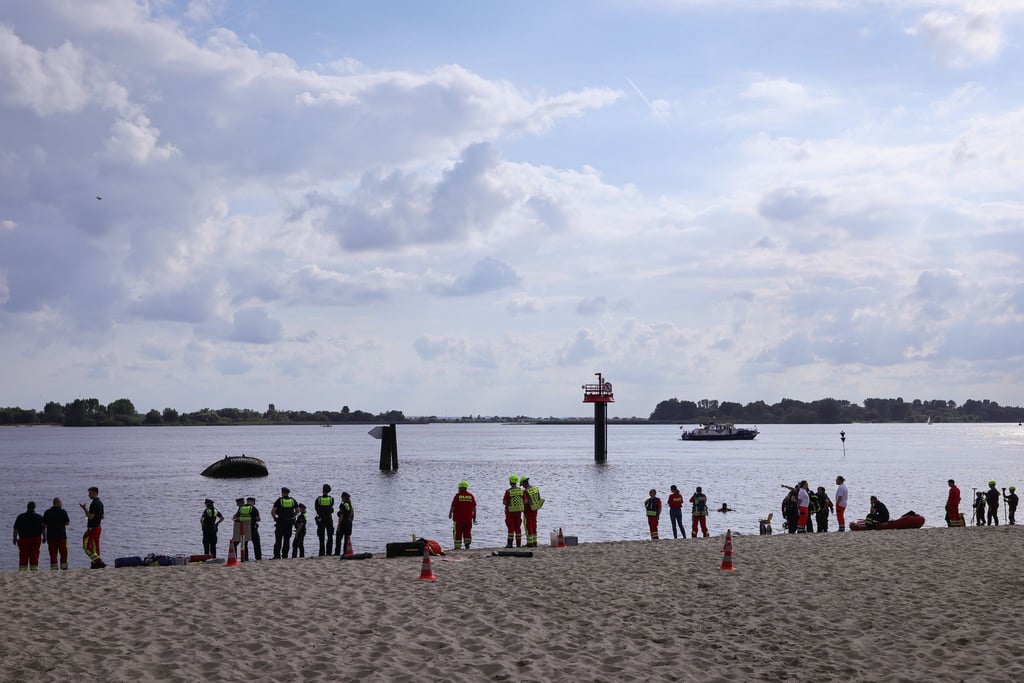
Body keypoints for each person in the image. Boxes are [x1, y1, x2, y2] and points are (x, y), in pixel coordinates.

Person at [13, 501, 44, 572]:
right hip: (35, 539)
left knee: (23, 555)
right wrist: (45, 537)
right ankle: (34, 570)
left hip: (23, 539)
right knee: (34, 555)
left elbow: (15, 528)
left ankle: (22, 570)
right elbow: (43, 528)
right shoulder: (39, 517)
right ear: (34, 507)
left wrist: (14, 537)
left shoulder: (20, 516)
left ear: (27, 507)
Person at [79, 486, 105, 569]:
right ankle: (95, 563)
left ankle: (98, 561)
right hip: (98, 527)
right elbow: (102, 517)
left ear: (95, 493)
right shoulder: (100, 503)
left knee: (86, 546)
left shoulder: (94, 503)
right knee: (95, 546)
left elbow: (90, 516)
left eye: (90, 493)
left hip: (92, 528)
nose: (88, 495)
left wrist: (84, 509)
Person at [41, 498, 70, 571]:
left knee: (53, 554)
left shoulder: (47, 512)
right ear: (57, 503)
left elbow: (43, 524)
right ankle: (64, 568)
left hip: (51, 537)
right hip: (62, 536)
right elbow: (67, 523)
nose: (61, 504)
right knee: (63, 553)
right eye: (60, 502)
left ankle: (54, 569)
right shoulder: (63, 512)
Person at [271, 487, 299, 559]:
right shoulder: (292, 500)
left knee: (278, 540)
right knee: (287, 540)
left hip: (280, 522)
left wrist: (275, 518)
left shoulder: (279, 500)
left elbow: (273, 511)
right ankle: (285, 555)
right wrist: (293, 516)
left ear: (283, 493)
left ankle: (277, 556)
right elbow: (297, 510)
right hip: (289, 522)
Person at [448, 481, 476, 550]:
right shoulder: (471, 496)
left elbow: (453, 506)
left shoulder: (458, 495)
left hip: (458, 519)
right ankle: (467, 545)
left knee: (457, 532)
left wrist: (450, 513)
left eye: (459, 487)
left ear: (460, 488)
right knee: (467, 532)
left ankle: (457, 547)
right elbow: (474, 508)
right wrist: (474, 518)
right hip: (468, 518)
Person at [521, 476, 543, 547]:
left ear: (524, 483)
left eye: (522, 485)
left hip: (528, 510)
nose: (523, 486)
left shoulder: (525, 491)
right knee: (534, 525)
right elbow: (539, 498)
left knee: (528, 526)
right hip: (535, 509)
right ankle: (535, 542)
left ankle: (530, 543)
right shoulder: (535, 488)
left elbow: (526, 502)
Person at [502, 475, 524, 548]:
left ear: (510, 482)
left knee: (511, 528)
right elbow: (525, 501)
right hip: (518, 512)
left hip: (510, 512)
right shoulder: (521, 490)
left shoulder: (508, 491)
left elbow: (504, 502)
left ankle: (510, 544)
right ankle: (518, 544)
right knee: (518, 528)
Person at [314, 484, 335, 556]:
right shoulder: (331, 499)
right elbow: (331, 508)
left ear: (323, 490)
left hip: (321, 519)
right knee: (330, 536)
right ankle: (329, 553)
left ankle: (321, 553)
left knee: (321, 537)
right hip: (329, 518)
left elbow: (316, 509)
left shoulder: (318, 499)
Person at [246, 496, 263, 560]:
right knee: (256, 543)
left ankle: (245, 558)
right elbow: (258, 519)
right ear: (253, 502)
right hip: (252, 527)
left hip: (244, 528)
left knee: (245, 543)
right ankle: (258, 557)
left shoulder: (241, 508)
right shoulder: (254, 509)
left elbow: (235, 516)